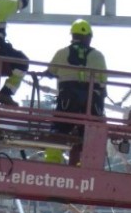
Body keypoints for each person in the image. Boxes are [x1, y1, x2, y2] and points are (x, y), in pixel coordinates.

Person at [42, 19, 108, 164]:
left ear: (72, 35)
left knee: (58, 132)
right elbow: (103, 82)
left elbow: (50, 71)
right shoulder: (98, 56)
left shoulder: (61, 53)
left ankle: (52, 164)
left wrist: (46, 73)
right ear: (89, 37)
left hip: (67, 102)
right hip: (92, 106)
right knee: (88, 138)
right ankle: (83, 168)